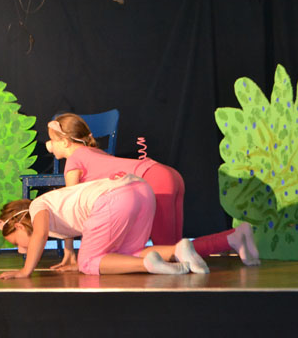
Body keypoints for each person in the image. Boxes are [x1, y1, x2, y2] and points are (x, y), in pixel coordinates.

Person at [45, 113, 260, 270]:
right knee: (175, 250)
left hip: (154, 181)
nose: (50, 145)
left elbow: (70, 207)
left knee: (169, 252)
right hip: (167, 175)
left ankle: (231, 239)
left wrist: (69, 253)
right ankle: (234, 236)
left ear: (65, 142)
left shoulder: (74, 160)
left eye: (52, 140)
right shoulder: (95, 152)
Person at [0, 174, 209, 279]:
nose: (21, 249)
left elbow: (40, 234)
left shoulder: (37, 205)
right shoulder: (53, 205)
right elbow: (67, 227)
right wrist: (70, 257)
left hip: (113, 198)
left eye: (17, 243)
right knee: (127, 253)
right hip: (141, 190)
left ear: (19, 226)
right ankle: (178, 250)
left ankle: (149, 265)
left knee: (88, 262)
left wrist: (25, 271)